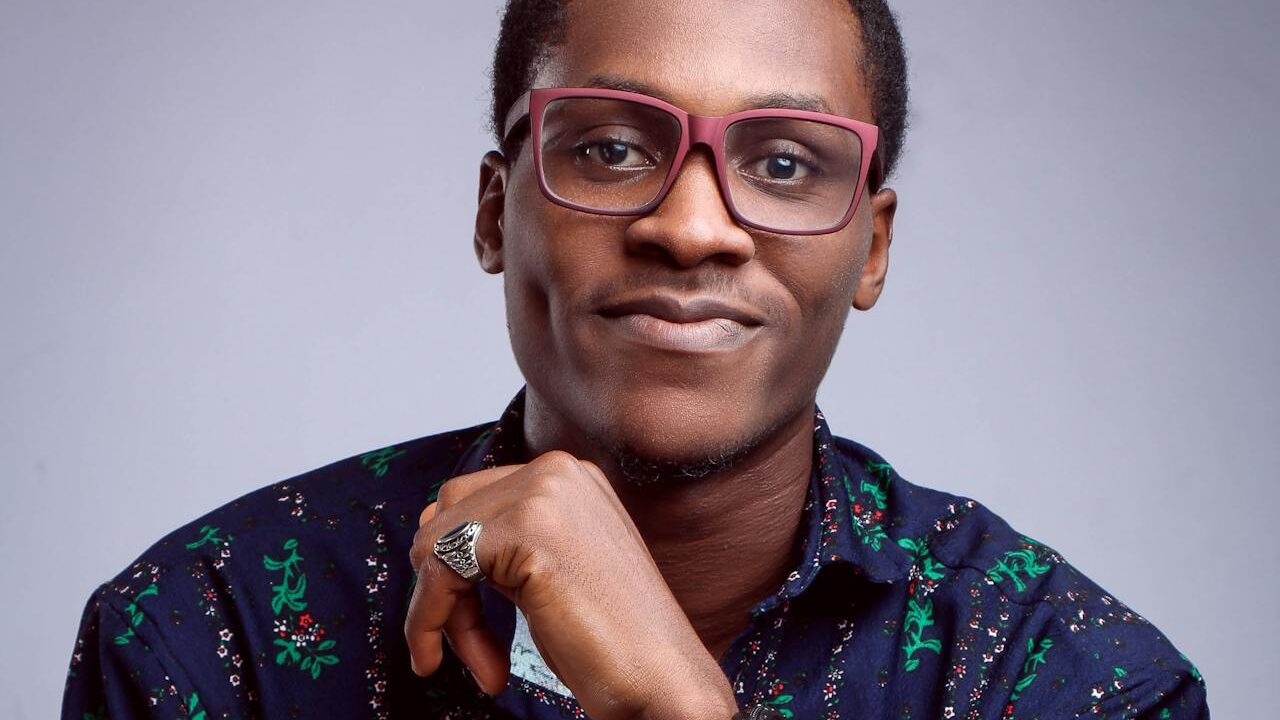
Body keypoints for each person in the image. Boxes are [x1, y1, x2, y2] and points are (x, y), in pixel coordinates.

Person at [61, 0, 1209, 718]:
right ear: (492, 211)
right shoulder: (210, 641)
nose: (693, 226)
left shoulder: (1061, 682)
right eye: (611, 147)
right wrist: (460, 540)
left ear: (872, 248)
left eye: (784, 164)